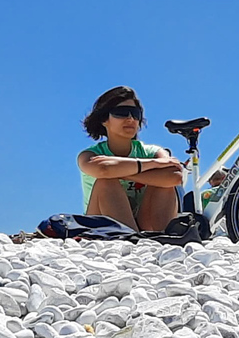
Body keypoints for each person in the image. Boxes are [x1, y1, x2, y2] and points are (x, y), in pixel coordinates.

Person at [78, 86, 183, 232]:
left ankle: (165, 237)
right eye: (121, 113)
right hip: (101, 226)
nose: (130, 119)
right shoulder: (90, 155)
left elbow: (175, 176)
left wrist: (122, 172)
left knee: (164, 183)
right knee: (106, 182)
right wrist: (153, 164)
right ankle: (130, 236)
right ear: (104, 119)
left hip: (145, 223)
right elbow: (103, 169)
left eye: (135, 114)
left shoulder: (150, 151)